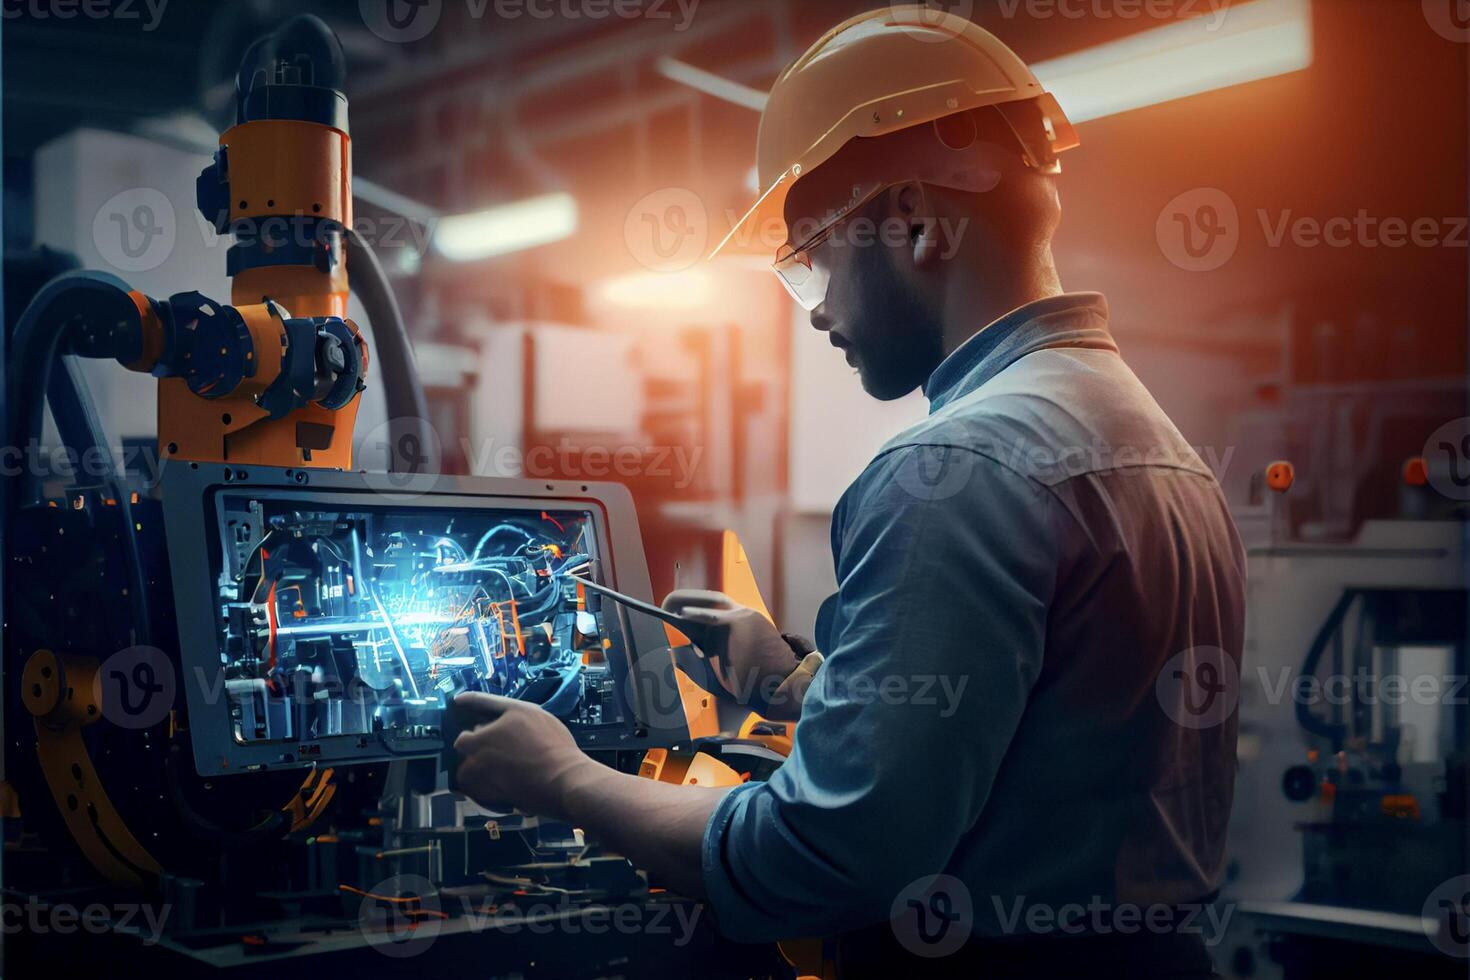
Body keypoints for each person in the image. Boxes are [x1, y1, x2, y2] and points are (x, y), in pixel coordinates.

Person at [453, 8, 1245, 976]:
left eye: (813, 256)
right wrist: (787, 678)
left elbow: (821, 857)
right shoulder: (1156, 443)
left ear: (913, 218)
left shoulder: (953, 468)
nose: (820, 308)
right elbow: (1041, 736)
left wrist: (566, 780)